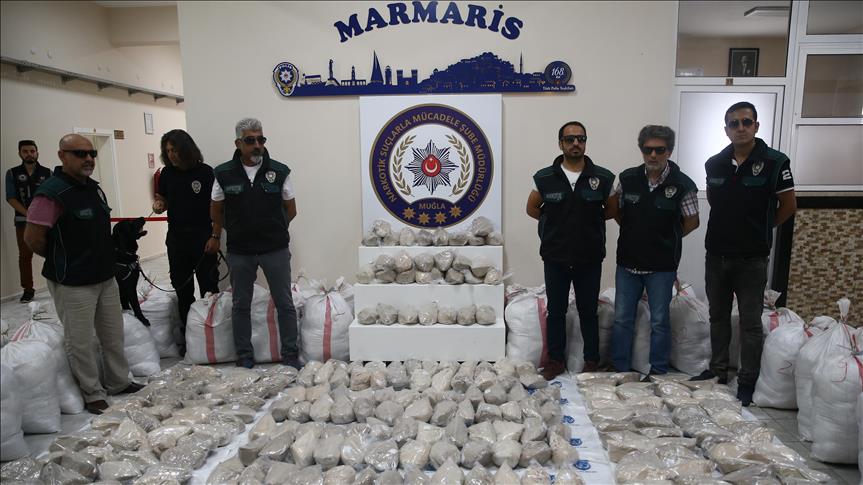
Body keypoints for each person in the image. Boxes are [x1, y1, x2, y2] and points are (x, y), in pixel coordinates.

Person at [23, 134, 142, 414]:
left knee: (113, 334)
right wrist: (65, 259)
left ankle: (118, 381)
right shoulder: (51, 193)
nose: (88, 158)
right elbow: (33, 239)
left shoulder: (93, 189)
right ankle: (92, 393)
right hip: (73, 281)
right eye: (79, 153)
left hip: (104, 275)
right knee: (81, 341)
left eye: (92, 154)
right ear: (62, 156)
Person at [691, 101, 796, 406]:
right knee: (717, 316)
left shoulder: (775, 162)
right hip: (717, 254)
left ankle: (747, 380)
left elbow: (789, 206)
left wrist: (760, 228)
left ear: (756, 126)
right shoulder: (714, 164)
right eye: (734, 123)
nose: (740, 128)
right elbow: (715, 200)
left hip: (752, 258)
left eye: (746, 122)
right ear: (726, 130)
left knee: (750, 322)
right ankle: (718, 372)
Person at [606, 125, 699, 380]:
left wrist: (665, 238)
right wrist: (636, 232)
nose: (653, 155)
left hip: (662, 267)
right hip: (628, 264)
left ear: (669, 151)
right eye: (648, 150)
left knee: (659, 321)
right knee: (622, 319)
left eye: (660, 150)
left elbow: (692, 221)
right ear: (642, 151)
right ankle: (620, 369)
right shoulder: (627, 178)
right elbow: (617, 212)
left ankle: (658, 372)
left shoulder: (683, 184)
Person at [207, 118, 300, 369]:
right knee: (240, 305)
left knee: (285, 303)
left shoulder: (279, 171)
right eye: (250, 140)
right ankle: (244, 356)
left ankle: (290, 355)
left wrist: (274, 229)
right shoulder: (223, 173)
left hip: (275, 249)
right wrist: (227, 232)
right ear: (238, 143)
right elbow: (216, 210)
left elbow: (290, 209)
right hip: (241, 251)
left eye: (261, 139)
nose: (257, 145)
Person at [527, 121, 615, 380]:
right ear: (560, 144)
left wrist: (587, 224)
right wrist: (555, 223)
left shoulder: (603, 177)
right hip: (556, 257)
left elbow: (612, 209)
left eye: (581, 138)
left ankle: (591, 361)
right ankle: (555, 361)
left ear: (585, 142)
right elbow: (531, 208)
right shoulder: (545, 178)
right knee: (556, 312)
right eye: (570, 139)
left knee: (589, 312)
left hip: (589, 258)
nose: (576, 143)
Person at [152, 129, 219, 355]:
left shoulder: (205, 173)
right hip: (177, 240)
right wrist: (159, 205)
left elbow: (217, 207)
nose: (172, 155)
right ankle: (189, 339)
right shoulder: (167, 174)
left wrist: (215, 236)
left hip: (203, 238)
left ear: (187, 149)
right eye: (168, 151)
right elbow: (162, 198)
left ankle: (213, 336)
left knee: (209, 289)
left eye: (175, 150)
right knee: (183, 291)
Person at [5, 140, 51, 302]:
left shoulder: (47, 173)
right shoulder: (12, 173)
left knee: (52, 252)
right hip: (23, 221)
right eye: (25, 151)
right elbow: (10, 198)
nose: (29, 154)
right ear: (20, 153)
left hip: (45, 221)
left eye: (32, 151)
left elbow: (52, 196)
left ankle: (57, 283)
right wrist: (30, 214)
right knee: (25, 256)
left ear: (37, 152)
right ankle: (28, 290)